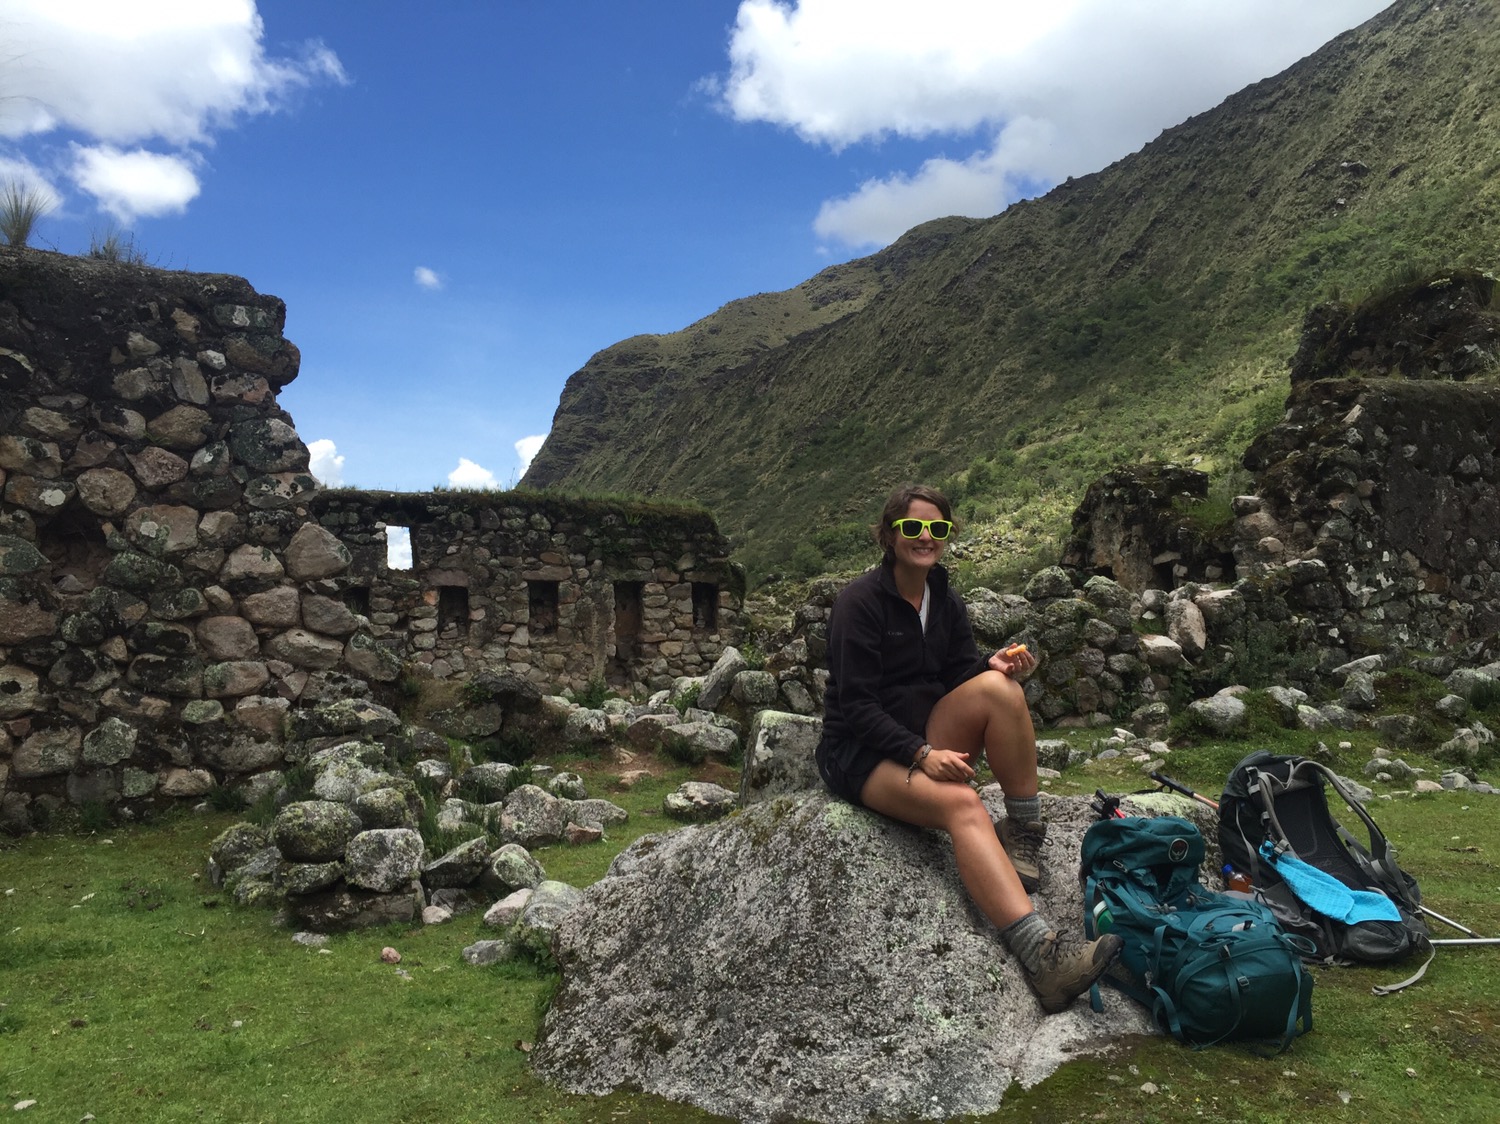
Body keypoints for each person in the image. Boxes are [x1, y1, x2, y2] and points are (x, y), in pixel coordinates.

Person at [815, 483, 1122, 1012]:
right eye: (913, 527)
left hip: (921, 731)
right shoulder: (859, 604)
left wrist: (989, 666)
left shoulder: (943, 597)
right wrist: (921, 755)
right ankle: (1042, 958)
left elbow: (957, 672)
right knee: (962, 804)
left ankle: (1022, 833)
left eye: (937, 528)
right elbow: (858, 708)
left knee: (1002, 690)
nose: (926, 537)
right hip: (860, 752)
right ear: (889, 536)